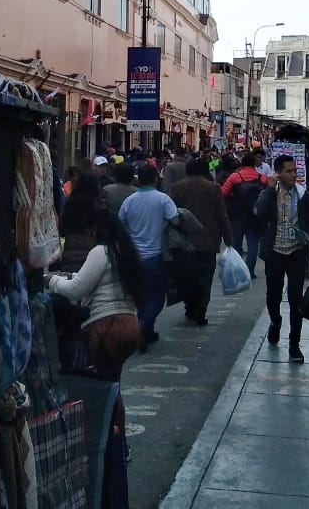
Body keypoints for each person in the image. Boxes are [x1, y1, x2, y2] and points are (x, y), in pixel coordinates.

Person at [47, 186, 144, 378]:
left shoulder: (101, 251)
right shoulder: (124, 251)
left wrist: (51, 281)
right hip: (130, 325)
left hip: (107, 327)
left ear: (95, 230)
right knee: (112, 384)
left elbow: (76, 290)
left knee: (99, 388)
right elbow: (95, 280)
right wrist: (71, 277)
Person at [253, 154, 309, 363]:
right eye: (288, 171)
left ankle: (294, 344)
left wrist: (308, 236)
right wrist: (270, 189)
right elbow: (258, 213)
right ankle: (276, 321)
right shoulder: (270, 193)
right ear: (278, 173)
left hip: (296, 252)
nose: (293, 175)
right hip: (275, 252)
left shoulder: (303, 194)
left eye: (295, 171)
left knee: (296, 299)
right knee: (273, 296)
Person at [119, 163, 180, 349]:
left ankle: (147, 331)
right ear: (155, 178)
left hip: (134, 257)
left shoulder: (130, 200)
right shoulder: (163, 199)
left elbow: (120, 223)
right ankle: (142, 326)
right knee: (157, 297)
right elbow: (176, 221)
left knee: (142, 296)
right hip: (155, 255)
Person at [168, 158, 233, 325]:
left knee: (186, 275)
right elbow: (222, 215)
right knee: (205, 276)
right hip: (207, 239)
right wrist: (229, 238)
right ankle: (201, 310)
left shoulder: (176, 187)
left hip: (183, 240)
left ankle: (190, 306)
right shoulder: (213, 188)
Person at [221, 153, 265, 278]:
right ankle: (250, 271)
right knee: (253, 244)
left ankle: (238, 270)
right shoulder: (262, 178)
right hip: (255, 215)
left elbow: (223, 193)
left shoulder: (234, 177)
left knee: (236, 243)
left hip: (237, 214)